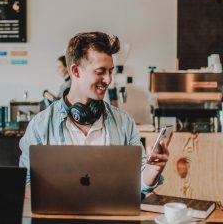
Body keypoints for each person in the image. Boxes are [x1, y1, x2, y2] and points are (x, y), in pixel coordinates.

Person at [19, 31, 169, 197]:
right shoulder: (40, 126)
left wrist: (152, 170)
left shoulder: (124, 122)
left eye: (110, 71)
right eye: (100, 71)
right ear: (75, 71)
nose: (108, 79)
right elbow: (25, 184)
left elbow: (139, 183)